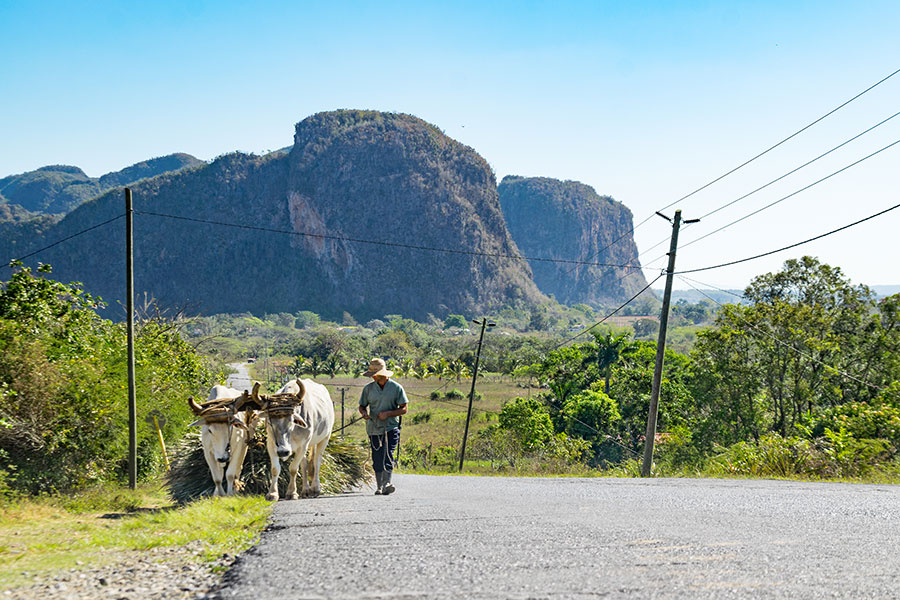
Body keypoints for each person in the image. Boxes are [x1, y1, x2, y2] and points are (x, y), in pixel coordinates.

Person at [358, 358, 408, 495]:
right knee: (377, 457)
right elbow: (362, 406)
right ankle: (379, 486)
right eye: (373, 375)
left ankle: (387, 483)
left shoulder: (396, 388)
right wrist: (364, 413)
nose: (374, 377)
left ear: (383, 375)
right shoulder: (368, 389)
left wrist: (388, 413)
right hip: (374, 428)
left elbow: (404, 409)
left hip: (391, 427)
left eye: (377, 375)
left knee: (388, 454)